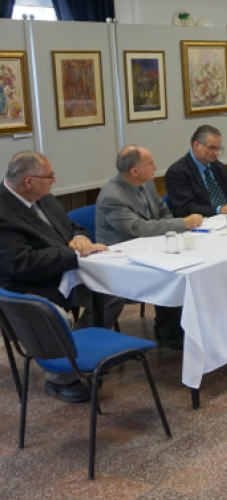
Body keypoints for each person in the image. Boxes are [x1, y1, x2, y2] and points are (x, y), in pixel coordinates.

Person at [0, 151, 124, 403]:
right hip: (25, 288)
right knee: (56, 316)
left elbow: (71, 227)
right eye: (50, 176)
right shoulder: (3, 212)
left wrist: (80, 238)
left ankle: (78, 354)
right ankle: (60, 380)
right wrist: (72, 253)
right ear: (29, 181)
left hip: (62, 273)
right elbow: (22, 263)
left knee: (111, 293)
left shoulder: (43, 198)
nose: (54, 180)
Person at [96, 146, 204, 349]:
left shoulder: (147, 184)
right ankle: (169, 334)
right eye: (150, 163)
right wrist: (182, 223)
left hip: (152, 247)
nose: (155, 167)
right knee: (170, 274)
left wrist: (171, 228)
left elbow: (163, 211)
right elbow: (139, 228)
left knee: (191, 264)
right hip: (121, 261)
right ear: (134, 171)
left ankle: (185, 325)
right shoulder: (112, 196)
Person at [165, 125, 227, 217]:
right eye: (212, 148)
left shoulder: (217, 166)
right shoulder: (177, 172)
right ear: (196, 145)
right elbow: (185, 209)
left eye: (218, 148)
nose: (216, 153)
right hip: (202, 221)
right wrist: (219, 210)